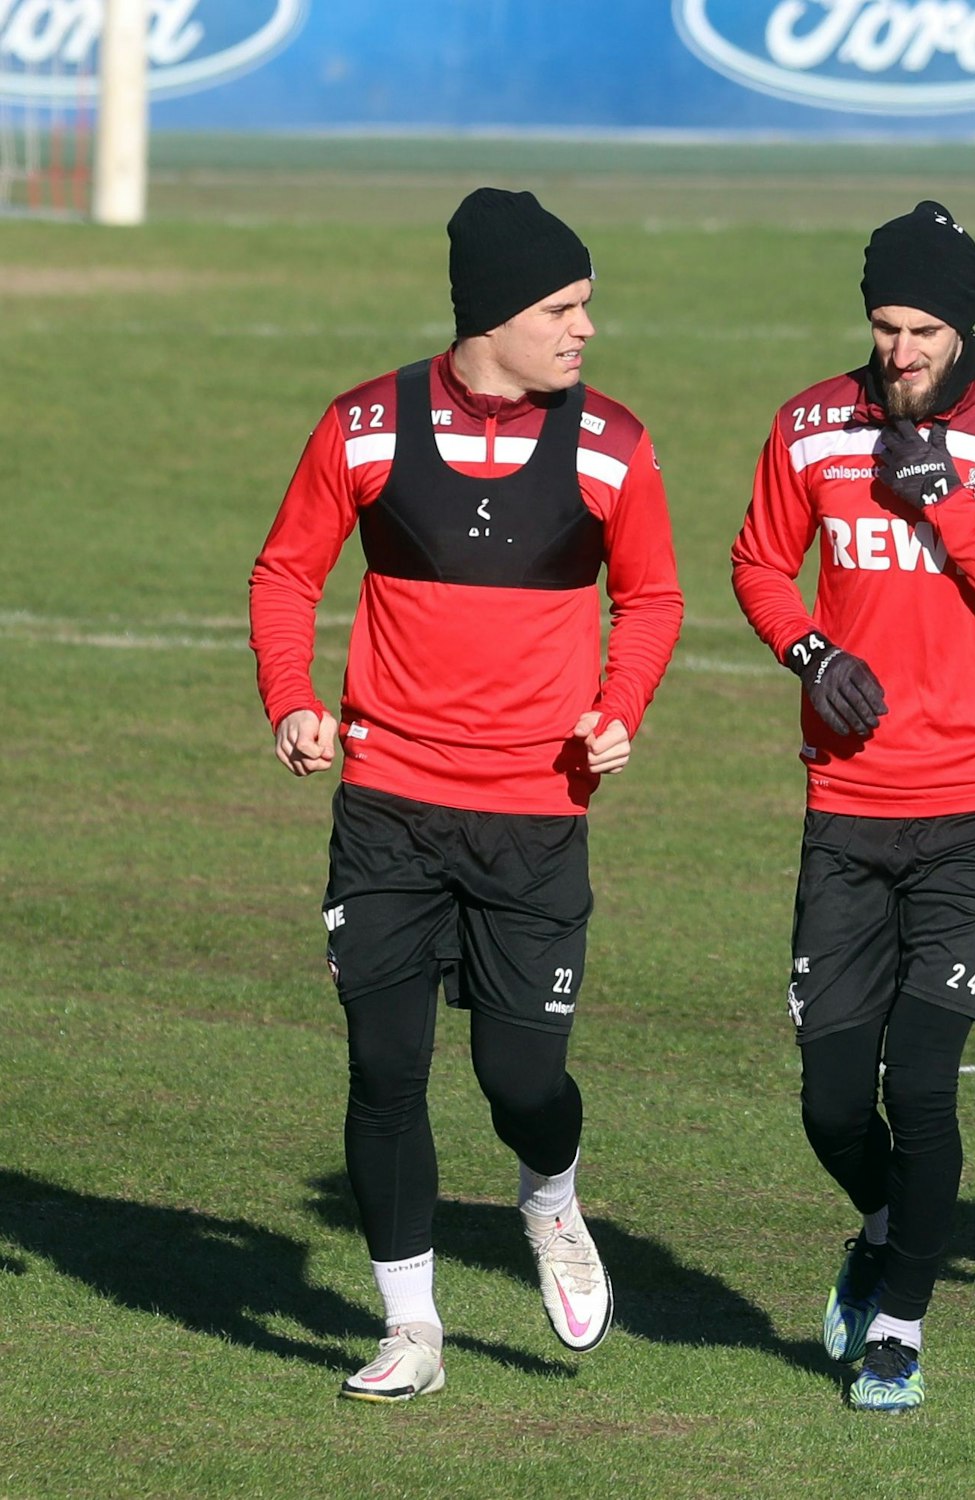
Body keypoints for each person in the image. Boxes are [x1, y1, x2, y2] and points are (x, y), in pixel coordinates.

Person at [248, 188, 683, 1402]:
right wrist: (290, 698)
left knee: (520, 1083)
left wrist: (619, 707)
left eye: (585, 305)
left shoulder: (612, 444)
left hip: (535, 818)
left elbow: (650, 597)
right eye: (562, 307)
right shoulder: (363, 426)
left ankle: (550, 1198)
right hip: (387, 806)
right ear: (492, 313)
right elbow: (286, 572)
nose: (585, 328)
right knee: (385, 1071)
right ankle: (412, 1331)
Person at [730, 201, 975, 1412]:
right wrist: (808, 652)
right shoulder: (809, 424)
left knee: (920, 1083)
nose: (899, 352)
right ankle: (887, 1228)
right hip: (848, 801)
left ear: (965, 324)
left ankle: (897, 1329)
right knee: (831, 1102)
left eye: (923, 330)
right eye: (884, 327)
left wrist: (952, 504)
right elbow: (757, 563)